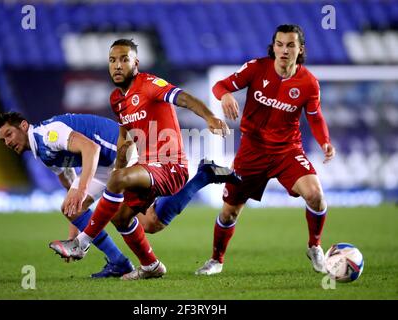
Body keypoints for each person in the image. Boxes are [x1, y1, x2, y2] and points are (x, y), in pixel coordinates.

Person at [48, 39, 241, 280]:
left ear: (135, 63)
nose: (117, 65)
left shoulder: (149, 84)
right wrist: (119, 166)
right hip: (146, 165)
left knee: (124, 191)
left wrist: (210, 117)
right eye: (112, 60)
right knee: (128, 219)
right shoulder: (117, 99)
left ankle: (81, 243)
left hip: (171, 165)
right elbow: (123, 137)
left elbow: (184, 98)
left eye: (123, 59)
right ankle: (151, 266)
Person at [195, 24, 336, 276]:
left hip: (287, 151)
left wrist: (324, 140)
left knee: (315, 195)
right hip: (252, 151)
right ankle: (216, 260)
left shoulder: (309, 83)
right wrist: (225, 95)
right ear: (273, 47)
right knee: (229, 212)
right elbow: (219, 85)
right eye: (279, 44)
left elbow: (315, 116)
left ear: (300, 49)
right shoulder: (256, 68)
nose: (283, 50)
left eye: (290, 45)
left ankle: (314, 246)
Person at [0, 112, 136, 278]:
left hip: (123, 149)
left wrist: (82, 190)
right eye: (3, 140)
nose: (8, 142)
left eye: (9, 134)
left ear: (24, 126)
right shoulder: (44, 153)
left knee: (144, 221)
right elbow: (70, 191)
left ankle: (149, 262)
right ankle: (119, 262)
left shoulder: (47, 135)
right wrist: (73, 235)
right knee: (71, 208)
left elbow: (91, 148)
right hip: (104, 163)